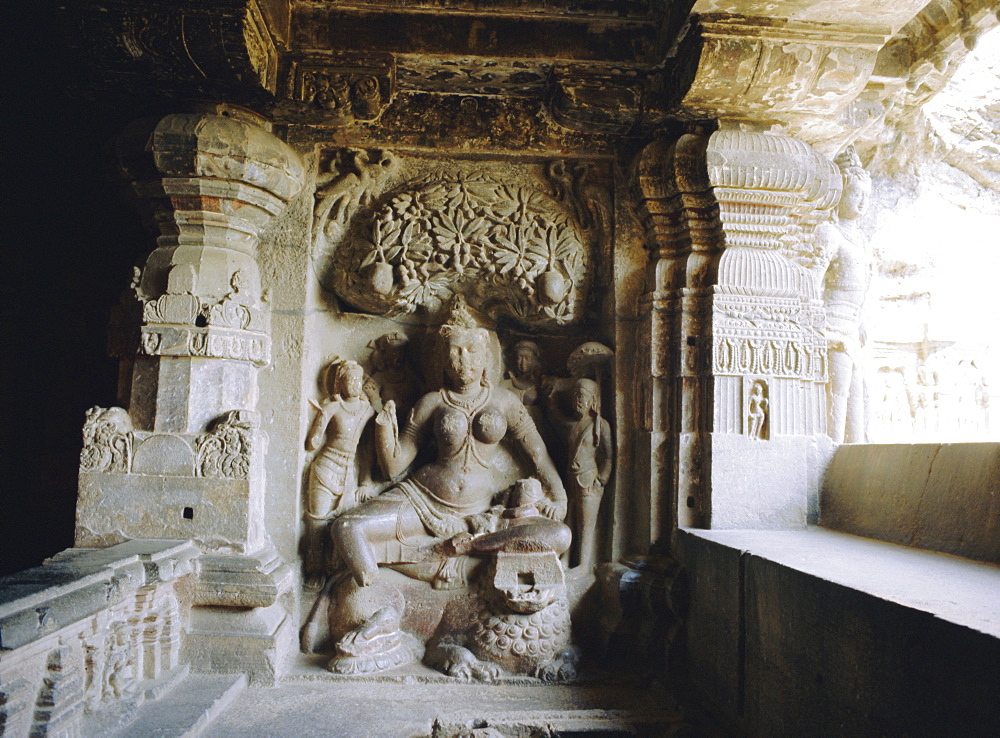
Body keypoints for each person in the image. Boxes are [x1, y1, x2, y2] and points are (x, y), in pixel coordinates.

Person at [332, 298, 569, 589]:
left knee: (559, 534)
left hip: (483, 512)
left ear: (486, 358)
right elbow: (394, 466)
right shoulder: (432, 402)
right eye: (454, 352)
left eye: (471, 351)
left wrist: (559, 495)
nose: (463, 359)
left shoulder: (505, 402)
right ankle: (372, 591)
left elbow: (538, 455)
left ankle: (464, 549)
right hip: (423, 499)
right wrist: (384, 427)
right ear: (443, 360)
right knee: (348, 527)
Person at [303, 360, 375, 587]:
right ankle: (315, 570)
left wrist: (365, 481)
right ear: (339, 383)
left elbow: (368, 449)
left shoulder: (367, 411)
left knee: (343, 522)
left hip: (348, 473)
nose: (354, 384)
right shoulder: (333, 407)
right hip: (325, 468)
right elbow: (312, 444)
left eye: (357, 379)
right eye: (348, 379)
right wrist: (321, 417)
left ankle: (336, 568)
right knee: (316, 521)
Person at [819, 147, 873, 444]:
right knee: (836, 393)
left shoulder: (862, 239)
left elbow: (864, 286)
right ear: (839, 195)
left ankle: (855, 449)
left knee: (859, 394)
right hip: (832, 324)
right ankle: (833, 449)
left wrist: (862, 319)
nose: (862, 201)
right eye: (855, 194)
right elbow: (813, 283)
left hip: (853, 324)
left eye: (866, 195)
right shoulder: (829, 232)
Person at [563, 379, 612, 571]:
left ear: (592, 400)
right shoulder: (574, 424)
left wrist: (601, 479)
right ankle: (566, 560)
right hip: (571, 477)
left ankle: (583, 565)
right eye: (575, 396)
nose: (578, 400)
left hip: (589, 479)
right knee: (569, 520)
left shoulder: (600, 425)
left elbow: (608, 455)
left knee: (586, 524)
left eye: (582, 396)